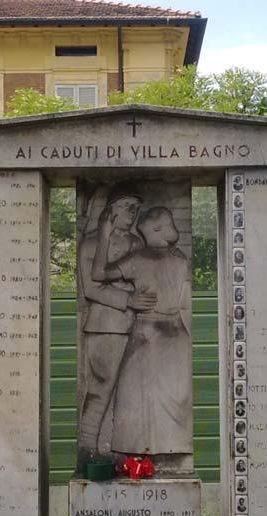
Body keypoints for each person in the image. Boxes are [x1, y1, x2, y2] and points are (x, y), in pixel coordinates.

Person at [92, 206, 192, 456]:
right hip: (175, 334)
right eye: (168, 224)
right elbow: (186, 303)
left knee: (137, 396)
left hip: (148, 334)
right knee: (165, 396)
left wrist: (104, 235)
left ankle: (141, 453)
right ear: (158, 230)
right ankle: (165, 451)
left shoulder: (139, 259)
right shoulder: (180, 259)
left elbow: (99, 273)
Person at [78, 183, 155, 459]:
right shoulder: (90, 243)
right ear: (110, 211)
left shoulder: (136, 243)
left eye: (135, 207)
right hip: (104, 325)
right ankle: (89, 447)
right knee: (102, 387)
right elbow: (91, 288)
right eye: (125, 206)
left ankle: (123, 449)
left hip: (137, 324)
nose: (132, 212)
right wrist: (128, 300)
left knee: (131, 388)